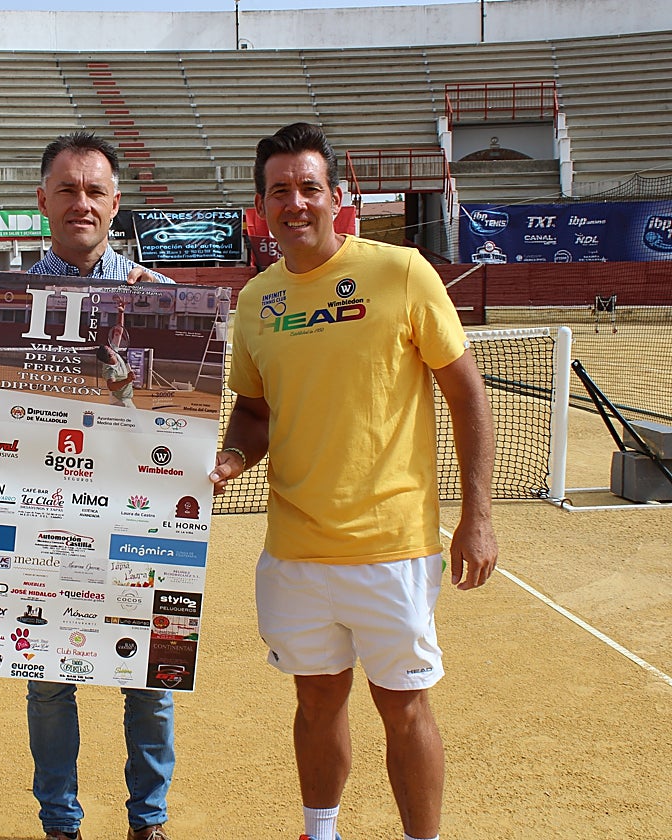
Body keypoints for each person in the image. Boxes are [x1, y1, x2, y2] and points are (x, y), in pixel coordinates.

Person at [209, 122, 498, 840]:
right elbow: (253, 412)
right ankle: (321, 830)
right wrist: (232, 460)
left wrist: (478, 516)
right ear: (261, 208)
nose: (296, 202)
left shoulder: (401, 273)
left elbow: (467, 394)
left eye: (310, 187)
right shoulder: (255, 302)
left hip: (391, 548)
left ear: (336, 197)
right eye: (280, 191)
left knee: (404, 708)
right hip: (295, 553)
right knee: (316, 702)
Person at [26, 131, 175, 840]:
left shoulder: (165, 301)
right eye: (67, 189)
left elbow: (181, 415)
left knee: (148, 680)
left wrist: (169, 327)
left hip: (138, 517)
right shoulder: (6, 301)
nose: (80, 202)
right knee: (50, 680)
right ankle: (61, 823)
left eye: (94, 190)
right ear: (43, 199)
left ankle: (148, 822)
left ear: (115, 203)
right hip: (42, 518)